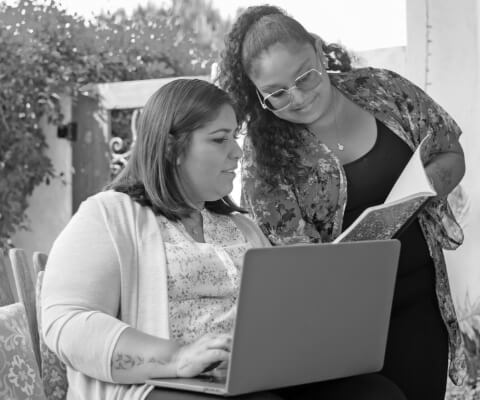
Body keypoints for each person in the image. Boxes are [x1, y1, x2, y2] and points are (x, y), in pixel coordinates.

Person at [41, 79, 407, 400]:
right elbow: (64, 322)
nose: (237, 151)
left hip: (250, 379)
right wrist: (177, 357)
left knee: (377, 392)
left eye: (235, 136)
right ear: (172, 148)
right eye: (219, 139)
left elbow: (275, 318)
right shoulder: (108, 214)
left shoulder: (241, 226)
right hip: (158, 384)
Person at [218, 4, 469, 400]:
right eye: (277, 94)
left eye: (305, 76)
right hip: (343, 324)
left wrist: (420, 190)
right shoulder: (263, 157)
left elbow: (450, 151)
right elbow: (291, 265)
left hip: (421, 298)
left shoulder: (383, 89)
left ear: (319, 50)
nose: (298, 98)